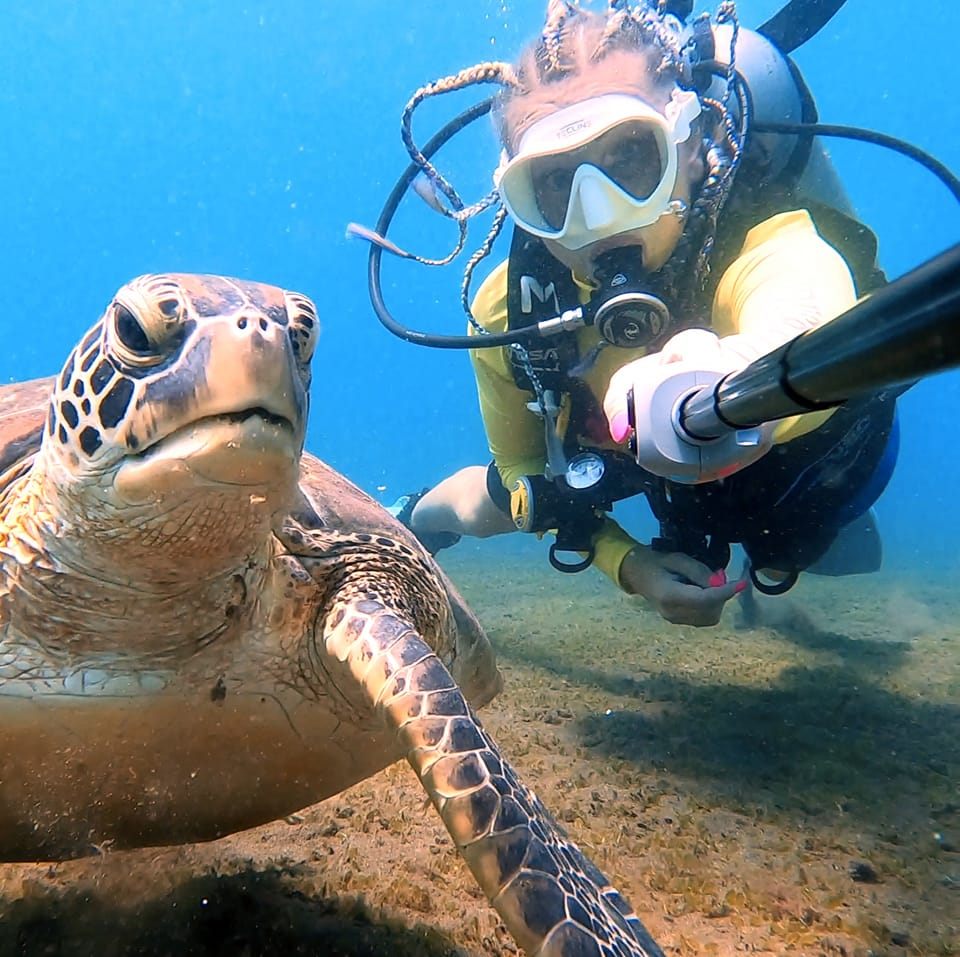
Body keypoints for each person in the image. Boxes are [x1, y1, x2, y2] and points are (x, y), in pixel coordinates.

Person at [374, 0, 900, 627]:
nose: (597, 213)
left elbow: (803, 303)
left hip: (816, 468)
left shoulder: (764, 240)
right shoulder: (507, 308)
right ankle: (412, 519)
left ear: (693, 146)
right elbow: (522, 470)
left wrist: (728, 371)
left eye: (630, 158)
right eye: (555, 184)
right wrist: (628, 564)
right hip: (643, 465)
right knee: (507, 497)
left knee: (811, 542)